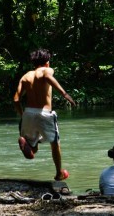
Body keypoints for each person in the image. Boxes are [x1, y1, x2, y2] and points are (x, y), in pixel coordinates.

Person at [13, 48, 77, 181]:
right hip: (45, 113)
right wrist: (65, 94)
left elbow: (16, 99)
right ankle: (59, 173)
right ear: (47, 62)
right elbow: (48, 77)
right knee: (55, 143)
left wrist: (22, 114)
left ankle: (29, 145)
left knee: (33, 149)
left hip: (28, 113)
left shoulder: (25, 76)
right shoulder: (47, 70)